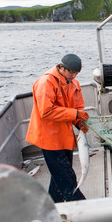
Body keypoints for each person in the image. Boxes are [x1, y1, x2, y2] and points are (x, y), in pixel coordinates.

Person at [26, 53, 89, 204]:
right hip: (49, 139)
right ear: (61, 67)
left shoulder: (74, 84)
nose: (73, 76)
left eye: (76, 73)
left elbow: (78, 106)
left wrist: (79, 122)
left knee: (58, 178)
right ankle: (85, 210)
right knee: (68, 180)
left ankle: (53, 207)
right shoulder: (46, 82)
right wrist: (75, 114)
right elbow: (46, 111)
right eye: (71, 72)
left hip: (65, 137)